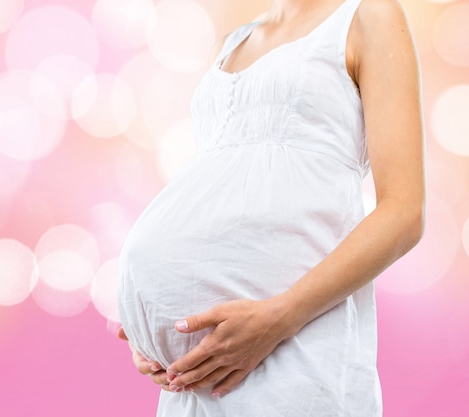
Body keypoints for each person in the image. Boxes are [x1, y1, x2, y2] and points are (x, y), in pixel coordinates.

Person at [116, 0, 424, 415]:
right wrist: (154, 332)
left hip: (294, 346)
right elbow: (214, 193)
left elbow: (404, 213)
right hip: (197, 378)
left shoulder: (366, 16)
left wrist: (278, 319)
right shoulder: (230, 44)